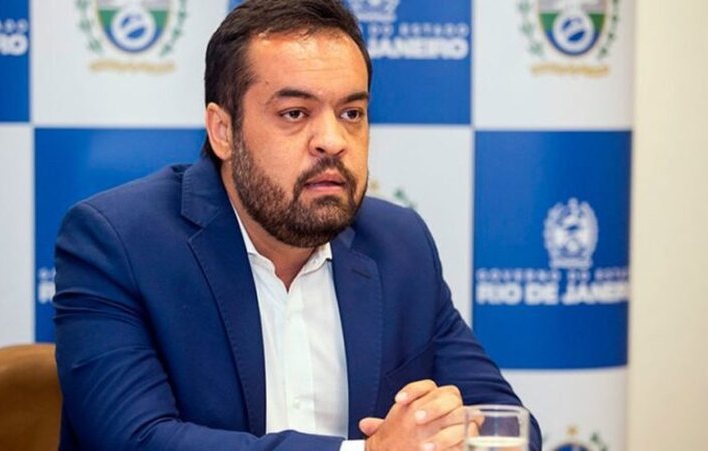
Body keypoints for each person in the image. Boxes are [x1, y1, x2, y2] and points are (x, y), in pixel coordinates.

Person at [53, 0, 541, 450]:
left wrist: (451, 430)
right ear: (223, 131)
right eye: (294, 113)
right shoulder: (118, 242)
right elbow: (137, 441)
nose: (332, 140)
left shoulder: (400, 245)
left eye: (352, 113)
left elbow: (509, 426)